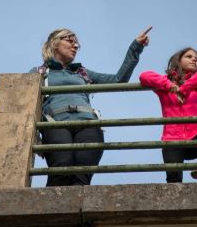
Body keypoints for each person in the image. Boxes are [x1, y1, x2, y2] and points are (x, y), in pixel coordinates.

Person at [33, 26, 151, 186]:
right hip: (55, 123)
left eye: (77, 45)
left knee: (82, 177)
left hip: (88, 124)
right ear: (54, 43)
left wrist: (135, 47)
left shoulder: (82, 72)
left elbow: (118, 80)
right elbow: (25, 104)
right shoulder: (39, 72)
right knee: (60, 169)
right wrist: (35, 136)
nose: (75, 46)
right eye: (70, 41)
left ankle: (76, 210)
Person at [139, 47, 197, 182]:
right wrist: (171, 86)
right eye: (189, 56)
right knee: (174, 182)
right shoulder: (166, 85)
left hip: (196, 139)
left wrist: (184, 89)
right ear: (178, 61)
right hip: (171, 141)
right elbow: (144, 76)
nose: (194, 59)